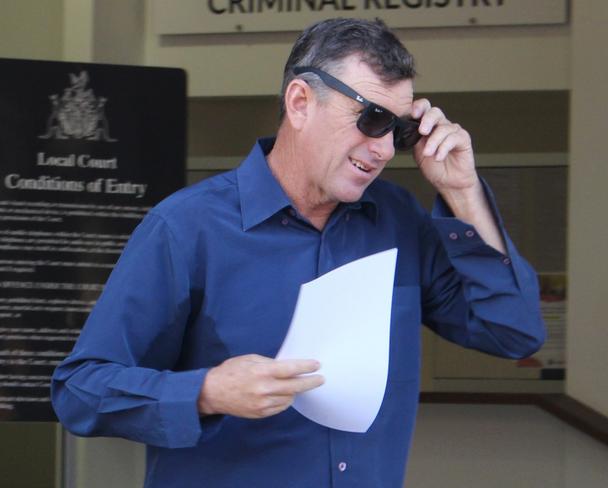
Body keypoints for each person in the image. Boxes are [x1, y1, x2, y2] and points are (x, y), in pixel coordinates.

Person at [51, 17, 545, 488]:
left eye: (398, 131)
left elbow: (515, 332)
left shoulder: (398, 221)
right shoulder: (186, 227)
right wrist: (205, 392)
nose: (382, 149)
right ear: (300, 101)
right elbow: (80, 390)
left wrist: (463, 193)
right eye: (371, 119)